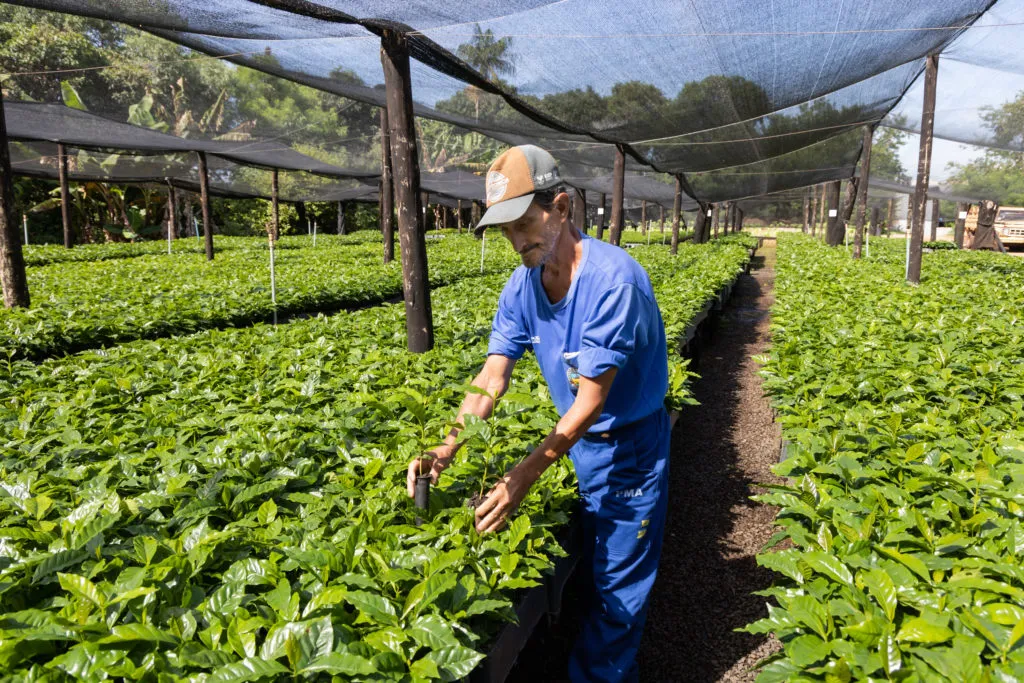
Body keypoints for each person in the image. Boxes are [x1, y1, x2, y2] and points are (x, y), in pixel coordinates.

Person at [405, 145, 670, 682]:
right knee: (596, 566)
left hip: (628, 448)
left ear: (561, 208)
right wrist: (448, 443)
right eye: (505, 230)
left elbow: (591, 403)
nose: (516, 240)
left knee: (618, 588)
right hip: (577, 445)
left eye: (524, 222)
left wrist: (521, 476)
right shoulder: (523, 284)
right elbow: (492, 377)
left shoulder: (611, 283)